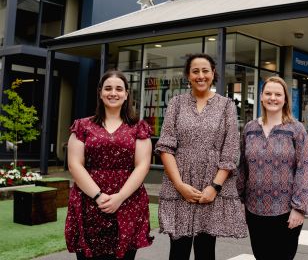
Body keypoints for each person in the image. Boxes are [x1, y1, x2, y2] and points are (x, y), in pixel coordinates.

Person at [155, 53, 246, 260]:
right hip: (180, 182)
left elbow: (230, 150)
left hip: (211, 183)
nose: (201, 75)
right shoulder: (176, 104)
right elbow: (166, 146)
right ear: (188, 75)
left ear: (213, 74)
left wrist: (214, 188)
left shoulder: (227, 105)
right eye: (195, 71)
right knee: (178, 251)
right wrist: (180, 185)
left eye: (205, 71)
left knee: (206, 251)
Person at [65, 70, 153, 259]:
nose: (113, 93)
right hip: (89, 201)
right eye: (108, 88)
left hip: (128, 201)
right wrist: (98, 196)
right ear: (100, 92)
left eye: (119, 89)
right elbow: (74, 164)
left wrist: (119, 197)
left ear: (127, 94)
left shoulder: (138, 127)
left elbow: (143, 165)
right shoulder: (83, 125)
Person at [237, 76, 308, 260]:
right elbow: (241, 168)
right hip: (254, 210)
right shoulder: (249, 129)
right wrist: (239, 202)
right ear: (261, 97)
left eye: (278, 94)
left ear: (285, 99)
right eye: (268, 93)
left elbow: (304, 169)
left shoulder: (296, 129)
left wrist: (299, 208)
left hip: (286, 212)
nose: (273, 98)